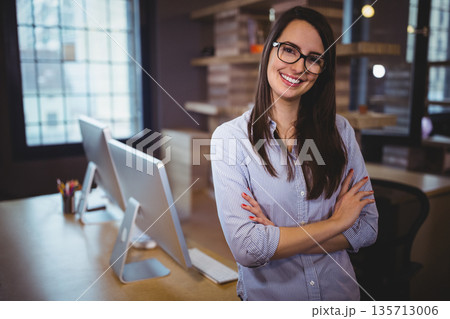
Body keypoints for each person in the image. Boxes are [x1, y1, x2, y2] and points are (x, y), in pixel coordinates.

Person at [210, 6, 378, 301]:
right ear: (269, 50)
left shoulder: (341, 132)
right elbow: (248, 248)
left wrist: (277, 236)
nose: (299, 67)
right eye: (289, 50)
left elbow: (367, 227)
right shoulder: (231, 138)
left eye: (313, 58)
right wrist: (336, 224)